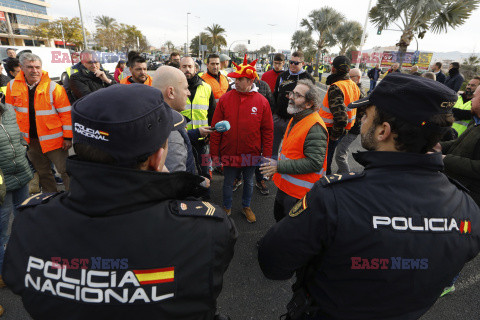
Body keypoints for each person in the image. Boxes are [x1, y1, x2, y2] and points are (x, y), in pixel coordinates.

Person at [3, 84, 237, 320]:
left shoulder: (30, 220)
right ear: (156, 159)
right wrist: (173, 190)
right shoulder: (206, 228)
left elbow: (16, 280)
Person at [258, 73, 480, 320]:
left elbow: (273, 263)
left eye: (366, 116)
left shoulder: (335, 198)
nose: (361, 121)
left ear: (384, 131)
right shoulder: (467, 207)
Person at [210, 56, 273, 222]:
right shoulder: (225, 99)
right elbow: (216, 128)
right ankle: (227, 207)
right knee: (228, 182)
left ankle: (246, 206)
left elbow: (267, 131)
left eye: (240, 80)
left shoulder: (262, 102)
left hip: (251, 153)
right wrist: (214, 153)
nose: (236, 82)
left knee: (249, 183)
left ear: (251, 80)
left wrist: (266, 155)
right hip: (229, 151)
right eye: (235, 79)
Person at [260, 79, 327, 221]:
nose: (290, 97)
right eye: (292, 93)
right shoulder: (296, 118)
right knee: (280, 219)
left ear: (309, 103)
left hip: (300, 194)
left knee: (291, 227)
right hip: (287, 186)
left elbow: (315, 163)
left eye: (297, 95)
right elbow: (290, 151)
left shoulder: (315, 127)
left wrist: (278, 166)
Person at [6, 53, 72, 192]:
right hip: (31, 142)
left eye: (37, 67)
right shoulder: (12, 86)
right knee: (43, 174)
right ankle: (50, 199)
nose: (34, 70)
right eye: (30, 67)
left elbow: (66, 114)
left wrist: (67, 137)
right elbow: (9, 114)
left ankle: (73, 198)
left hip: (56, 141)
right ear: (22, 68)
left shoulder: (54, 87)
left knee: (66, 171)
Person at [0, 102, 33, 293]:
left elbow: (18, 134)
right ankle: (3, 273)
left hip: (21, 172)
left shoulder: (8, 109)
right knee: (2, 230)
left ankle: (25, 261)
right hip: (2, 183)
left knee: (25, 218)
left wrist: (23, 146)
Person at [435, 84, 480, 205]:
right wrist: (438, 146)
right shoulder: (476, 122)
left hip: (470, 199)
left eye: (475, 97)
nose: (471, 100)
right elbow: (459, 143)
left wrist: (445, 158)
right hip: (455, 188)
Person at [319, 55, 361, 175]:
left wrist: (334, 136)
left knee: (325, 160)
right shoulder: (353, 86)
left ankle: (324, 183)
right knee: (329, 157)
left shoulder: (336, 87)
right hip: (344, 130)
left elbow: (341, 118)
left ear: (333, 69)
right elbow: (360, 109)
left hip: (330, 131)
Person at [152, 66, 197, 175]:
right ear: (171, 92)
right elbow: (176, 180)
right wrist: (199, 183)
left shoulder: (152, 116)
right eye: (185, 88)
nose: (189, 93)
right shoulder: (171, 129)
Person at [272, 51, 315, 160]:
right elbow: (275, 94)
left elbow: (311, 100)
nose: (292, 65)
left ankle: (286, 170)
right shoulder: (282, 76)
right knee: (273, 147)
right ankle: (270, 172)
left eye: (296, 63)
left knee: (291, 149)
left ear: (302, 63)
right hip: (278, 118)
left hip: (296, 120)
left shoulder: (308, 78)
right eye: (291, 62)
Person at [179, 56, 216, 180]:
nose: (187, 69)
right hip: (182, 138)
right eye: (184, 67)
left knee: (205, 171)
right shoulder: (175, 88)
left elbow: (212, 113)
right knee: (184, 171)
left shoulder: (206, 88)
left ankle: (206, 195)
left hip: (203, 139)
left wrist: (211, 134)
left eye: (190, 66)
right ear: (179, 68)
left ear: (195, 68)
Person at [334, 68, 365, 173]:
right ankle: (340, 174)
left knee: (340, 155)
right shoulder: (353, 88)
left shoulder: (359, 92)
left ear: (358, 78)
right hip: (349, 128)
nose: (348, 79)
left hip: (353, 129)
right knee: (343, 152)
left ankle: (347, 176)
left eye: (351, 77)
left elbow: (360, 113)